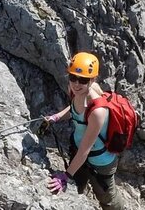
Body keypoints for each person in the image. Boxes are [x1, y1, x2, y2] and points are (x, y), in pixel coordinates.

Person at [45, 52, 125, 210]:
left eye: (83, 80)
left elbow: (85, 150)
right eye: (73, 77)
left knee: (108, 199)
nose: (76, 83)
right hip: (79, 153)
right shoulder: (79, 90)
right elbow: (75, 110)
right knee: (77, 183)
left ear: (93, 80)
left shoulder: (98, 112)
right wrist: (57, 117)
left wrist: (65, 176)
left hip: (100, 162)